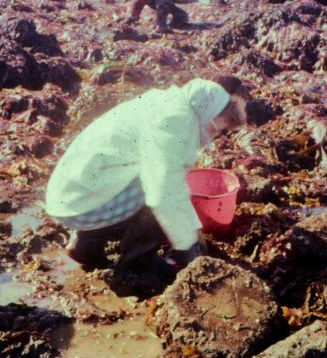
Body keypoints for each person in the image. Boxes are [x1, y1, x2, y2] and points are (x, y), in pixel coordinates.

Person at [45, 77, 249, 272]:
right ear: (206, 113)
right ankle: (137, 265)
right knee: (157, 192)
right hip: (80, 202)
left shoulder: (167, 104)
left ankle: (86, 245)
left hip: (71, 194)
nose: (212, 138)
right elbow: (164, 191)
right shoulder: (173, 122)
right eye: (215, 129)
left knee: (147, 177)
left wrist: (192, 228)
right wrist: (189, 246)